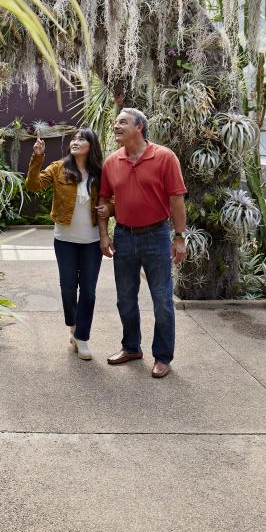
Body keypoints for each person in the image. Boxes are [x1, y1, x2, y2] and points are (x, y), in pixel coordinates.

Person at [95, 108, 187, 378]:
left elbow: (177, 200)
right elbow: (103, 201)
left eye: (122, 122)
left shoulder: (164, 157)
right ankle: (131, 347)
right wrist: (104, 234)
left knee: (161, 299)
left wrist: (179, 237)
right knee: (125, 298)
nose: (116, 126)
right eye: (115, 123)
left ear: (139, 127)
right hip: (124, 236)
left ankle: (163, 356)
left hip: (156, 236)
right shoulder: (112, 162)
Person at [25, 129, 105, 360]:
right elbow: (33, 185)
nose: (76, 142)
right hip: (65, 240)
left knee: (88, 292)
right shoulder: (58, 167)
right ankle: (73, 326)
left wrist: (109, 209)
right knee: (68, 288)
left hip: (91, 241)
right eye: (74, 138)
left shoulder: (100, 171)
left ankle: (82, 337)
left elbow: (111, 199)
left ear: (91, 145)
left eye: (82, 139)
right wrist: (37, 157)